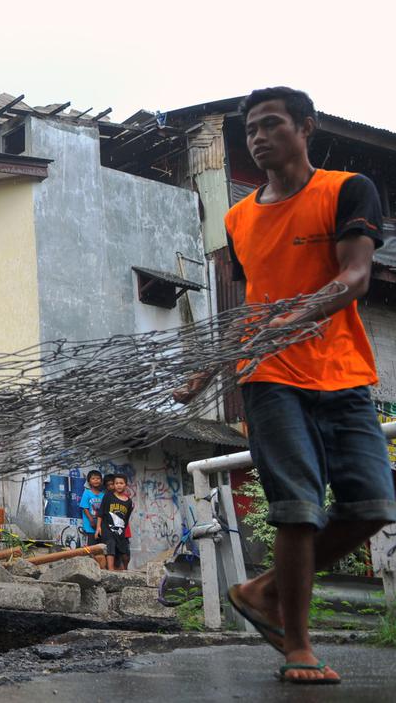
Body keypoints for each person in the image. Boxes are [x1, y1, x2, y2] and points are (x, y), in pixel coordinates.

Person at [205, 87, 396, 685]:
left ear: (305, 126)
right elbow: (249, 304)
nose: (259, 138)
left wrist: (296, 316)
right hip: (269, 375)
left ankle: (261, 591)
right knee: (296, 508)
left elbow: (356, 276)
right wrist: (210, 365)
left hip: (342, 370)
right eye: (251, 132)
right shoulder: (238, 218)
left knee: (372, 504)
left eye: (270, 125)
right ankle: (297, 644)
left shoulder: (346, 190)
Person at [97, 474, 132, 571]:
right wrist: (98, 528)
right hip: (107, 528)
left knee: (125, 554)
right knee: (110, 545)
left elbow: (126, 518)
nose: (119, 485)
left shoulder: (129, 502)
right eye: (116, 483)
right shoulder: (108, 496)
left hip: (120, 531)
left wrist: (124, 532)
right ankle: (111, 571)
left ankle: (125, 570)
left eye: (121, 483)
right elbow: (101, 512)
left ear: (125, 485)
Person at [78, 470, 105, 547]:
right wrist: (91, 520)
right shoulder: (87, 493)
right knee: (91, 546)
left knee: (100, 547)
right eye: (93, 478)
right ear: (89, 481)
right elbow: (85, 508)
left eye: (98, 478)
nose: (96, 480)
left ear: (101, 481)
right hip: (90, 525)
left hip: (100, 526)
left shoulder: (103, 495)